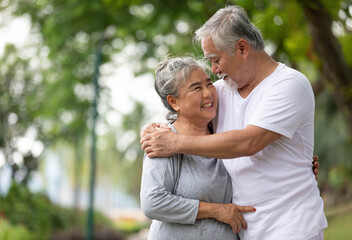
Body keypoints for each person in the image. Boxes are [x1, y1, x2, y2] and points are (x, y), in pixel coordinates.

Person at [140, 5, 327, 240]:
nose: (215, 70)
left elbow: (249, 142)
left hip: (291, 225)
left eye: (216, 59)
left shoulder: (289, 84)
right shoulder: (221, 91)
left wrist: (174, 143)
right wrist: (150, 130)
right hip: (248, 232)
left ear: (241, 48)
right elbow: (186, 108)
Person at [140, 56, 255, 240]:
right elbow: (152, 202)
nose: (208, 93)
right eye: (196, 88)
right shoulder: (163, 142)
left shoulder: (223, 130)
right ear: (174, 102)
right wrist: (216, 210)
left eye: (209, 84)